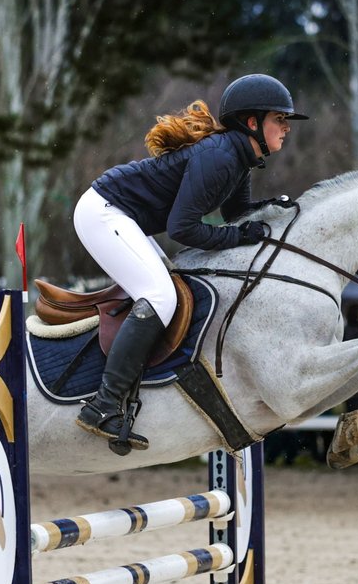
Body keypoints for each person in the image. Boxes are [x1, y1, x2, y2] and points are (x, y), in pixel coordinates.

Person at [73, 73, 308, 453]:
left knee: (174, 291)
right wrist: (239, 237)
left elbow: (236, 215)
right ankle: (104, 405)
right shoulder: (219, 157)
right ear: (252, 123)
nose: (286, 128)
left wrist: (273, 212)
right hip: (104, 212)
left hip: (125, 216)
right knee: (161, 297)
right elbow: (183, 229)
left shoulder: (238, 158)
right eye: (279, 119)